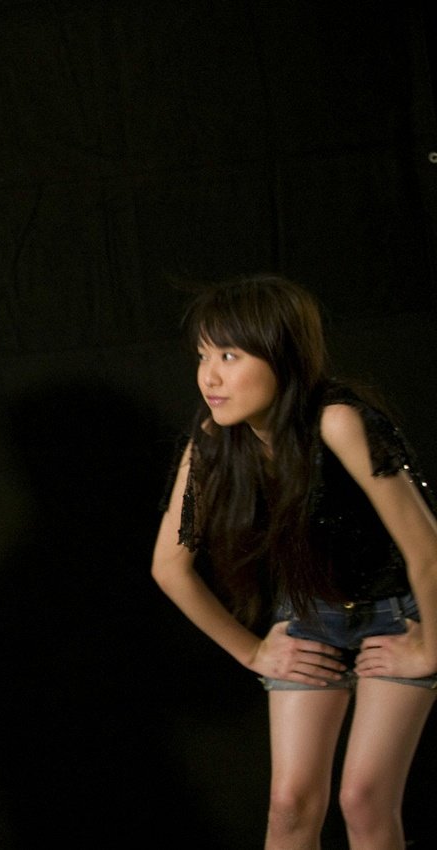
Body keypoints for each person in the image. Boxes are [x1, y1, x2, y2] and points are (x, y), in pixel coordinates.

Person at [150, 273, 437, 849]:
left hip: (397, 614)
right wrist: (253, 651)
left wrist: (431, 646)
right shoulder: (212, 440)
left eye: (229, 355)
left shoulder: (338, 420)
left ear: (283, 355)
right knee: (289, 806)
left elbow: (426, 546)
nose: (209, 376)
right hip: (311, 616)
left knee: (363, 799)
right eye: (203, 355)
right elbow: (169, 566)